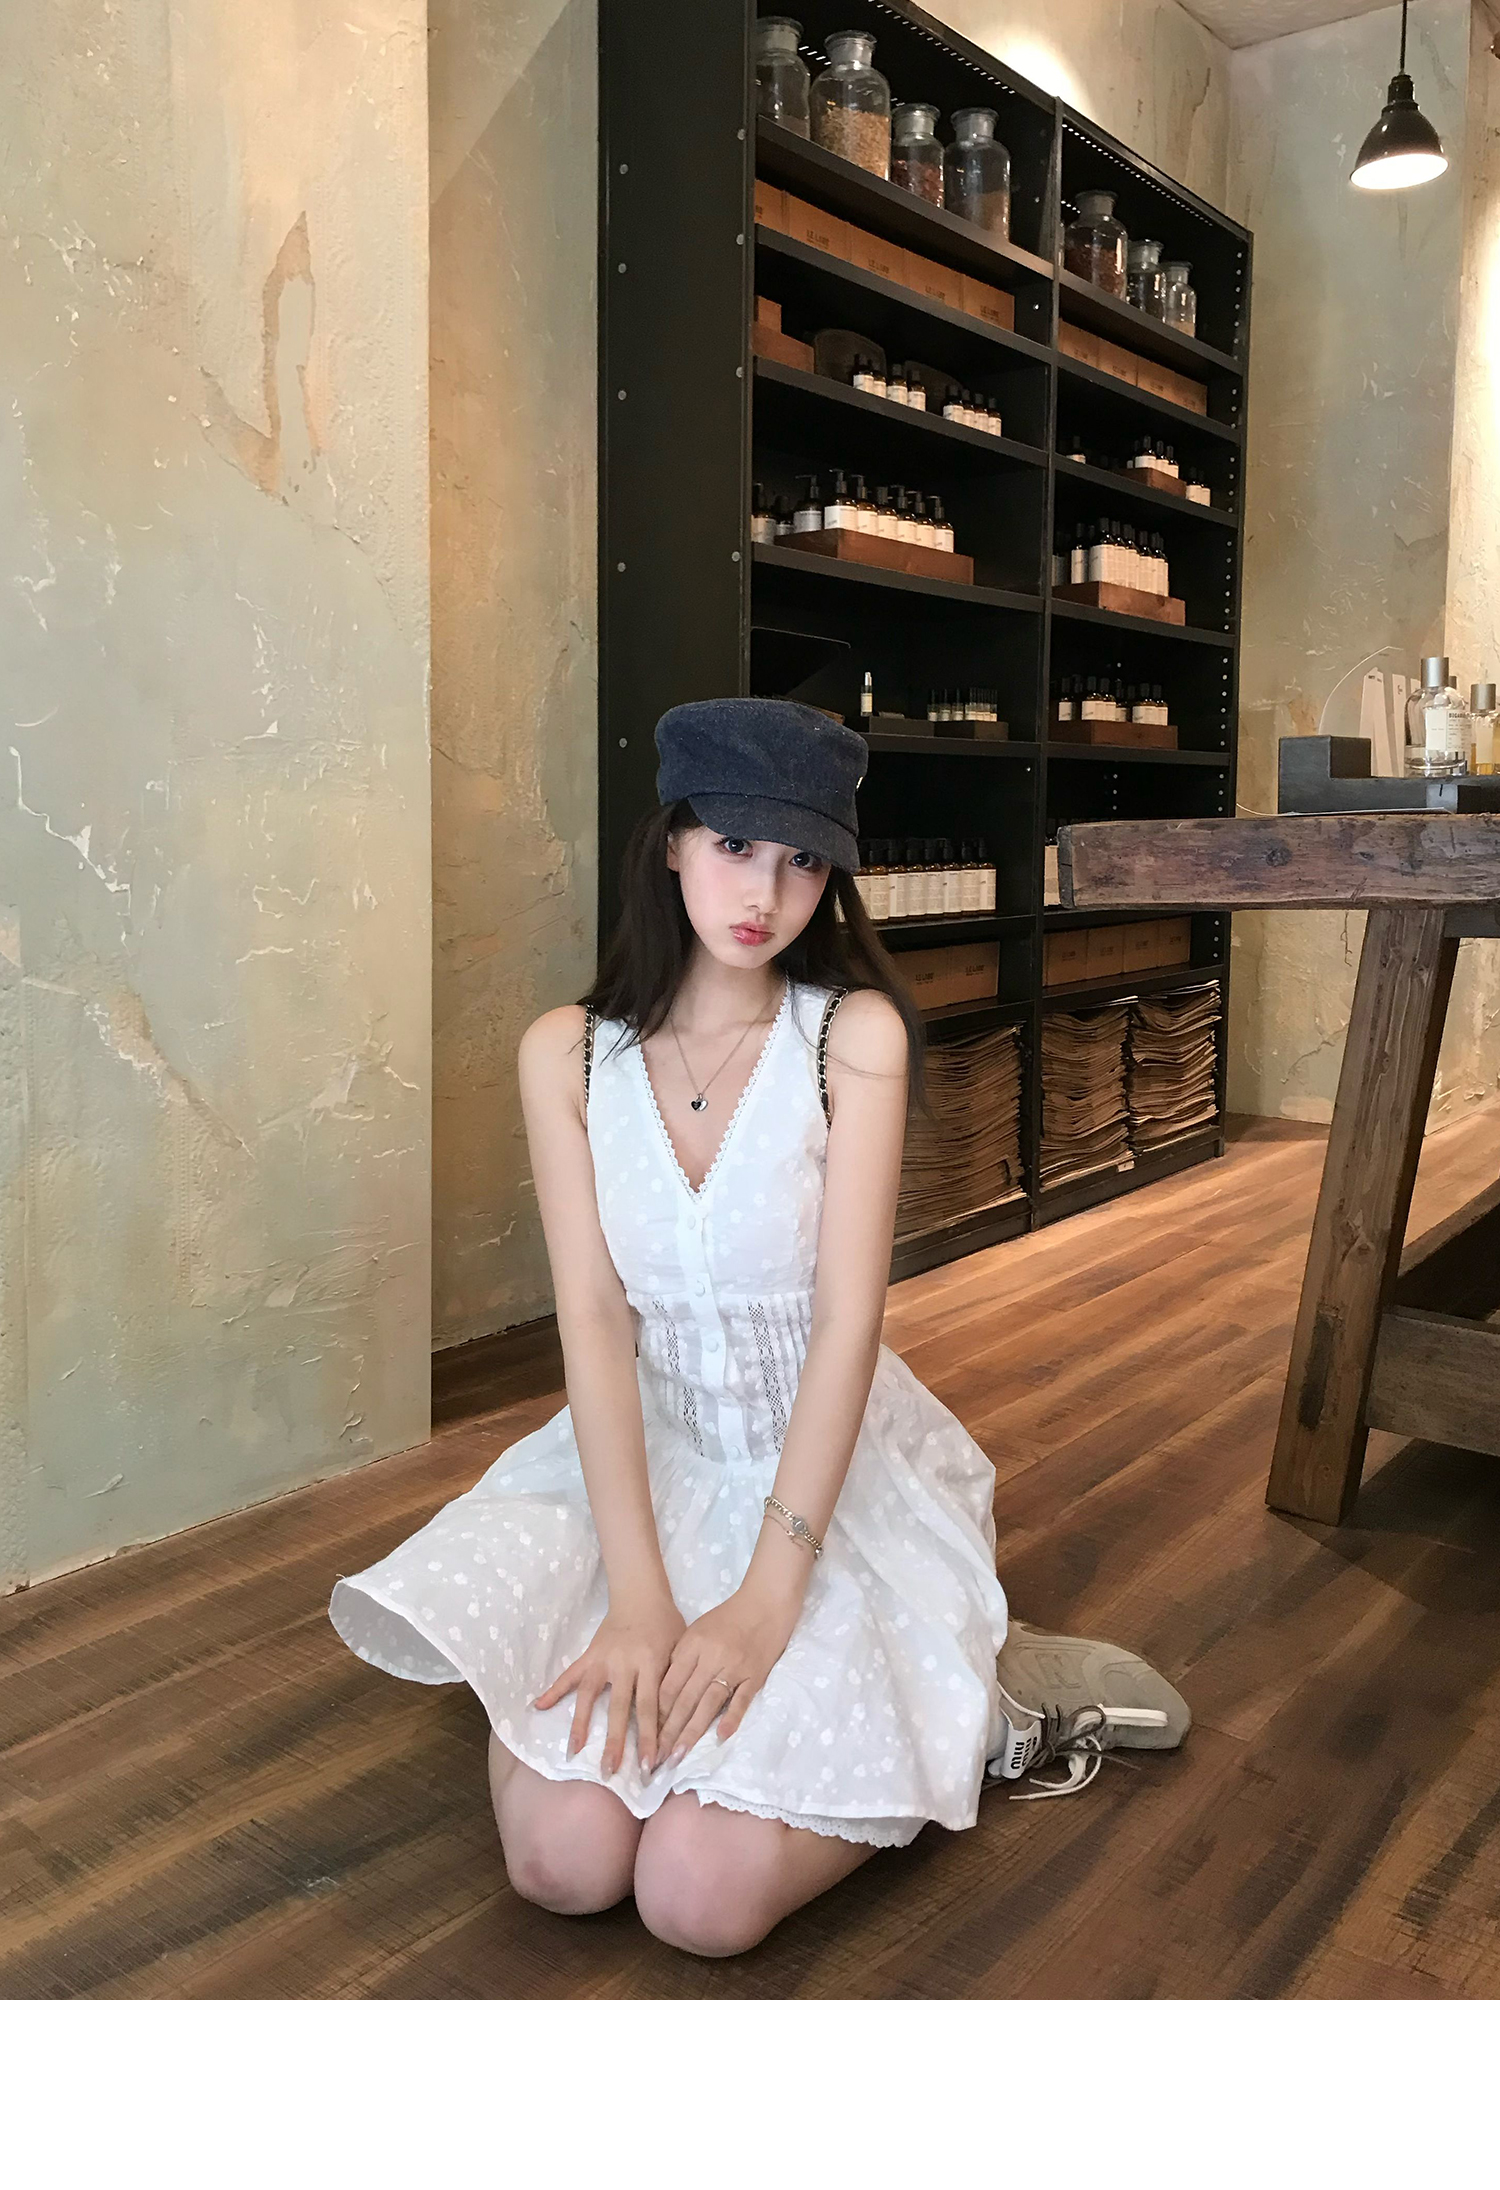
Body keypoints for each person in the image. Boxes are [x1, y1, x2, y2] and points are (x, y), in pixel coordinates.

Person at [328, 695, 1187, 1961]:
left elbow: (848, 1324)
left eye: (803, 861)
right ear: (673, 840)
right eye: (735, 845)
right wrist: (637, 1597)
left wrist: (769, 1598)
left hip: (816, 1480)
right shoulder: (566, 1055)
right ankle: (737, 1685)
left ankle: (977, 1711)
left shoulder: (851, 1037)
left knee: (698, 1899)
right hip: (642, 1465)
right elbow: (593, 1320)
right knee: (564, 1864)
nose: (765, 894)